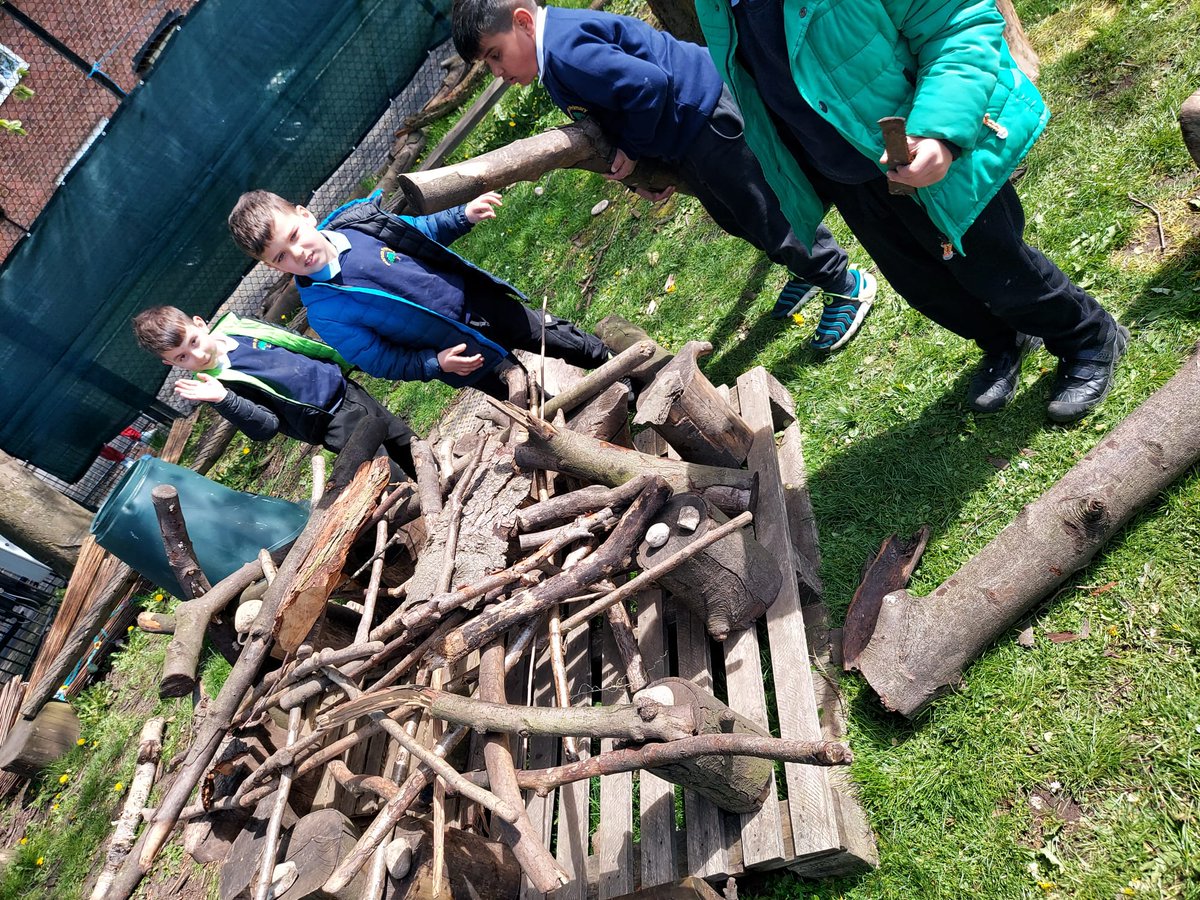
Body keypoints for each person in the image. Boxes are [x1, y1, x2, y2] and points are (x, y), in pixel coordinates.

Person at [691, 0, 1127, 422]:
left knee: (994, 266)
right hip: (848, 171)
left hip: (926, 146)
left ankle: (1087, 336)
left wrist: (940, 131)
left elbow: (957, 20)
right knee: (922, 281)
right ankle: (1002, 339)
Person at [451, 0, 877, 352]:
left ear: (523, 22)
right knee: (736, 216)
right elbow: (617, 100)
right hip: (684, 132)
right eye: (486, 63)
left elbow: (648, 86)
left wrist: (634, 152)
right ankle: (806, 270)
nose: (497, 73)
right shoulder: (555, 53)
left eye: (495, 55)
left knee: (764, 209)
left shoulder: (566, 51)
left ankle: (843, 281)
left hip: (705, 117)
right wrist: (651, 168)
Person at [227, 189, 612, 398]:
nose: (298, 253)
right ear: (274, 268)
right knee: (525, 398)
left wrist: (461, 217)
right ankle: (581, 429)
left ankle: (617, 365)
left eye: (293, 236)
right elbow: (378, 359)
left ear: (304, 215)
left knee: (555, 336)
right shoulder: (325, 311)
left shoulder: (360, 224)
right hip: (456, 353)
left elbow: (418, 231)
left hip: (479, 301)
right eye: (282, 256)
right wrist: (433, 364)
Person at [132, 306, 417, 479]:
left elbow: (294, 342)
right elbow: (265, 427)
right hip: (329, 422)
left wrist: (339, 363)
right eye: (182, 357)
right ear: (169, 363)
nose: (197, 354)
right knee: (383, 467)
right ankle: (418, 513)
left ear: (199, 323)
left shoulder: (240, 328)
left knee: (403, 439)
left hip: (346, 389)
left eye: (194, 341)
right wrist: (223, 399)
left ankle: (441, 474)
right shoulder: (216, 386)